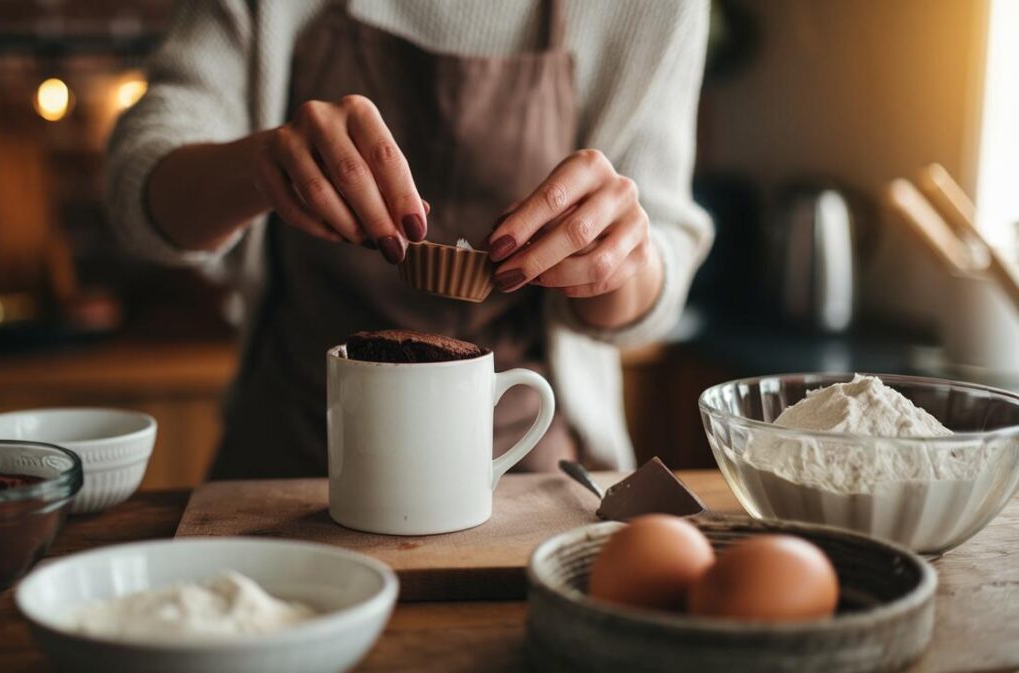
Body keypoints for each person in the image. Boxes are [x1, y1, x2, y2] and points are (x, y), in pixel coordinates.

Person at [107, 0, 714, 478]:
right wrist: (262, 165)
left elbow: (660, 247)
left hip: (524, 458)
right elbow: (140, 181)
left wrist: (614, 259)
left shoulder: (655, 7)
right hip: (295, 448)